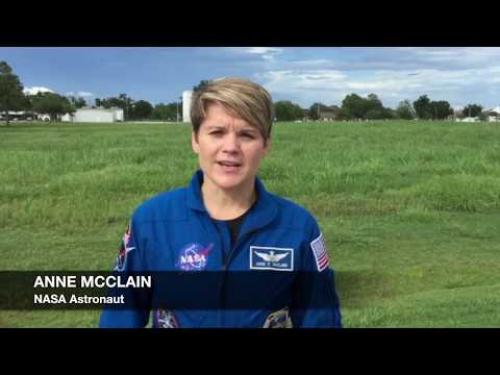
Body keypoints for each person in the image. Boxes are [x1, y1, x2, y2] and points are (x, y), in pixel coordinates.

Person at [99, 78, 342, 328]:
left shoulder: (298, 228)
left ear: (266, 144)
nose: (231, 147)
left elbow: (321, 320)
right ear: (195, 139)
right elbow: (121, 315)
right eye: (217, 132)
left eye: (247, 135)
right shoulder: (150, 222)